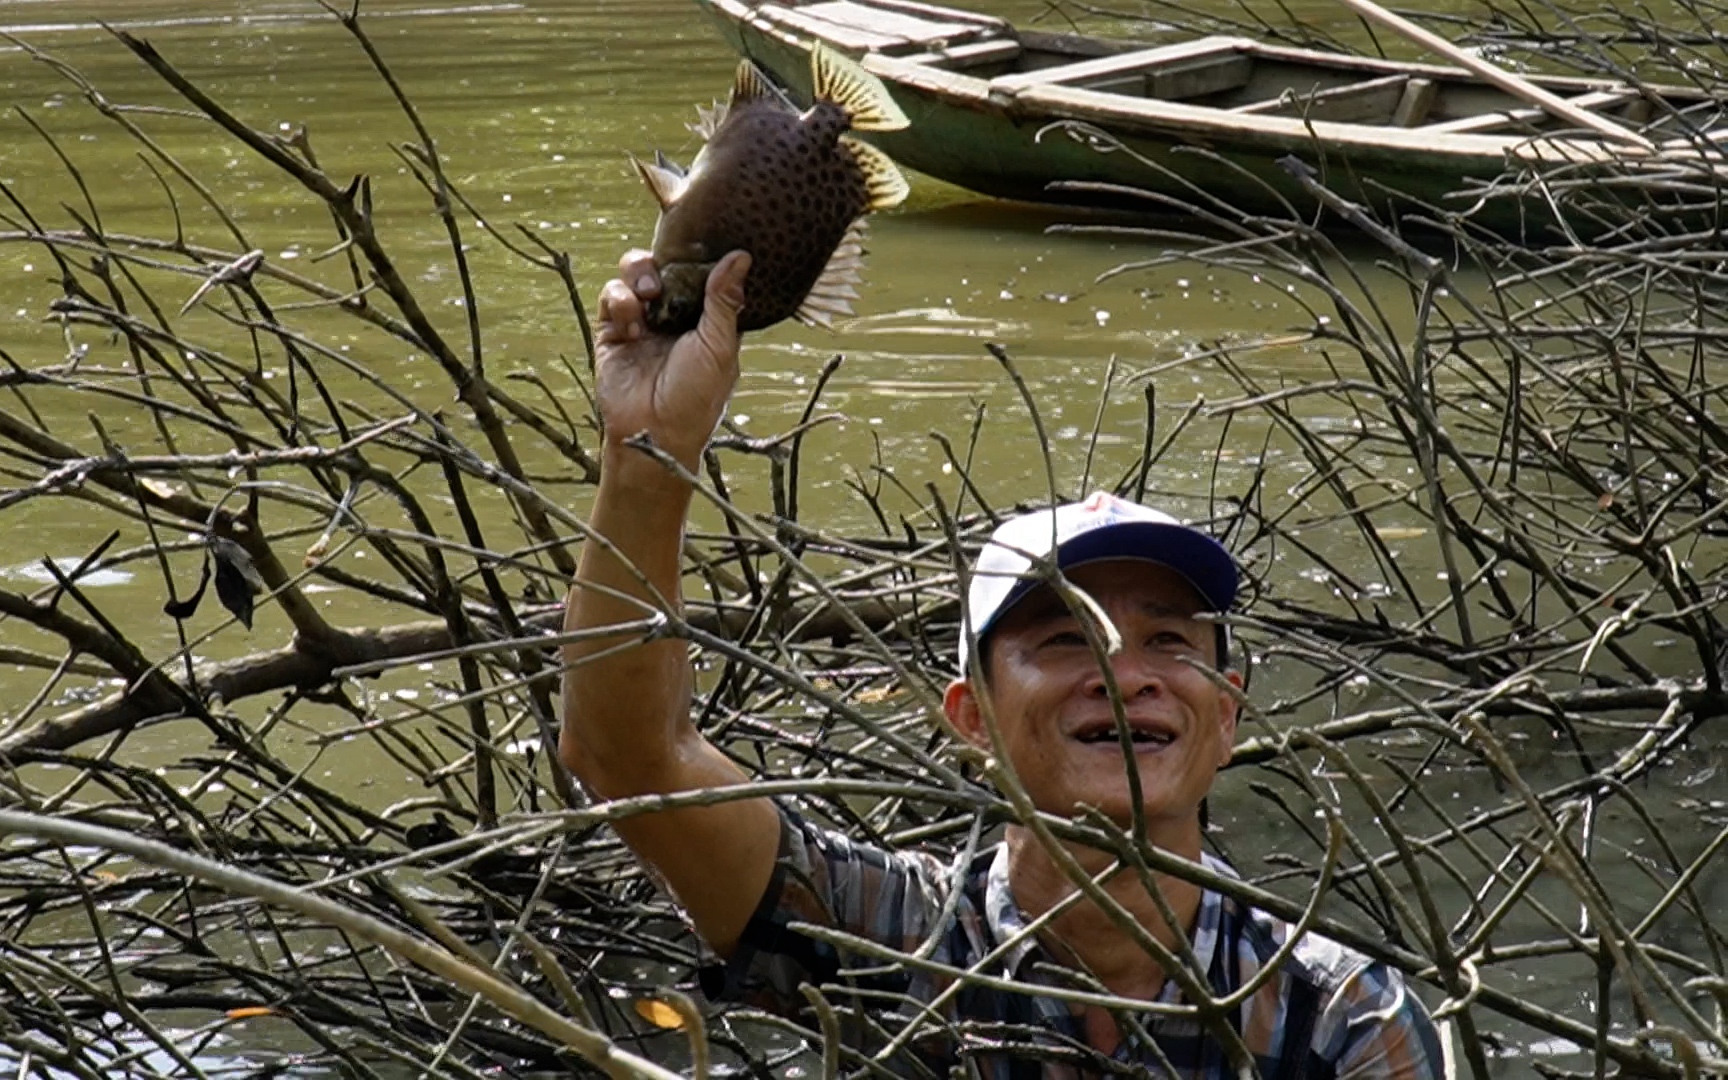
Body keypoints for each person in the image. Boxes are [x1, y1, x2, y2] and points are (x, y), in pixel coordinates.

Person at [559, 250, 1446, 1079]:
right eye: (1065, 640)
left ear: (1225, 717)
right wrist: (649, 455)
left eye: (1169, 642)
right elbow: (632, 759)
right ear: (971, 718)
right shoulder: (898, 936)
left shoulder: (1338, 1013)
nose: (1125, 672)